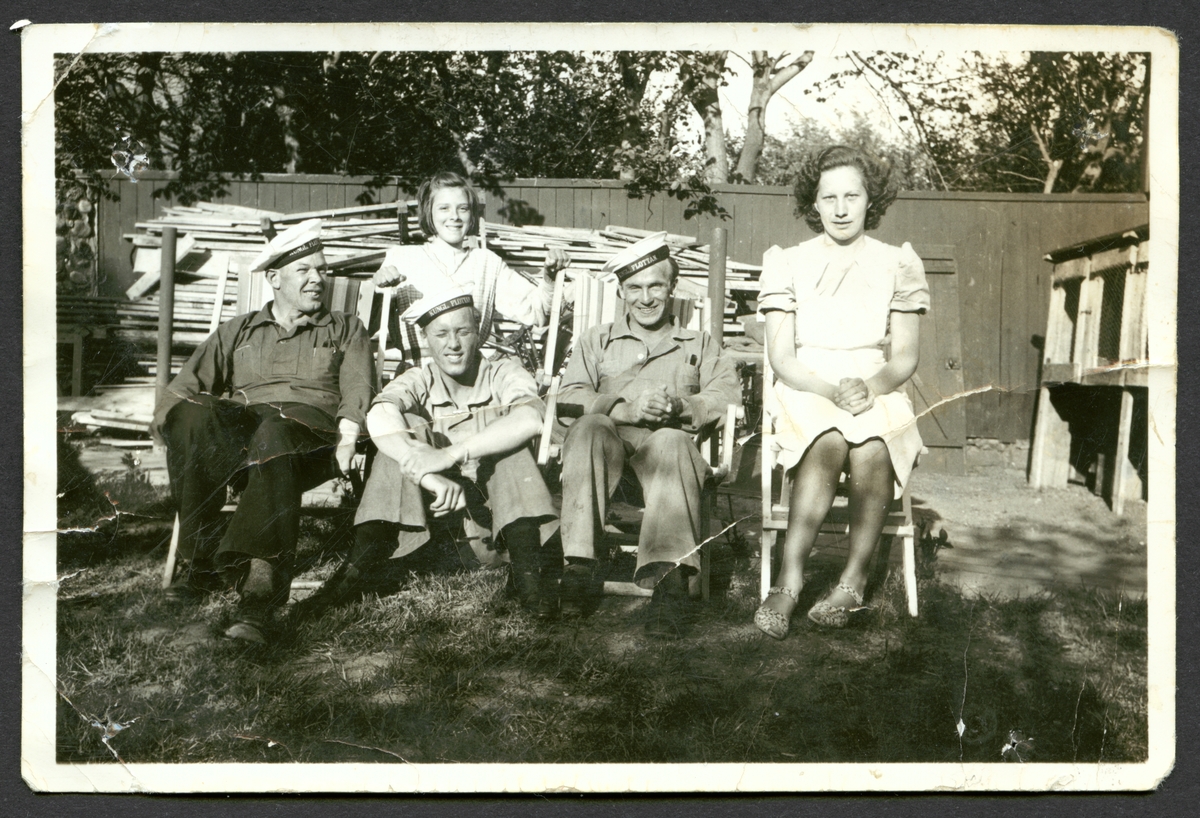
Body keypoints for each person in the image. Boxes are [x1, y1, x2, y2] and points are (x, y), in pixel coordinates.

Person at [153, 219, 372, 645]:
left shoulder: (346, 327)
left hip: (310, 435)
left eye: (322, 269)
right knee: (192, 415)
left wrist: (349, 435)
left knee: (274, 431)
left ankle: (258, 597)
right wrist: (172, 425)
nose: (317, 279)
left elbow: (359, 387)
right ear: (274, 279)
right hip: (247, 431)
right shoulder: (238, 330)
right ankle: (200, 565)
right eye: (304, 270)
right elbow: (183, 387)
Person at [754, 145, 929, 638]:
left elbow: (905, 357)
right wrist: (830, 391)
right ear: (814, 202)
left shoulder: (897, 262)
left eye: (852, 195)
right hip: (807, 380)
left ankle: (852, 582)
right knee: (827, 439)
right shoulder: (788, 262)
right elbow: (782, 358)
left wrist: (869, 387)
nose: (841, 208)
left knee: (874, 443)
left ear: (870, 198)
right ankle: (789, 579)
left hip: (875, 381)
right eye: (829, 197)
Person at [303, 288, 561, 618]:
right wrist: (427, 473)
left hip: (496, 538)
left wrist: (450, 455)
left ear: (478, 333)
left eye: (462, 331)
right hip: (421, 539)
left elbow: (531, 418)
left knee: (508, 438)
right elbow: (379, 414)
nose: (453, 344)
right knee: (406, 426)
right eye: (441, 334)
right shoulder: (418, 378)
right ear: (426, 339)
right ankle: (353, 574)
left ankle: (530, 582)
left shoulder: (504, 373)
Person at [556, 232, 742, 639]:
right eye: (634, 288)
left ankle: (669, 582)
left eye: (655, 286)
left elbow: (727, 396)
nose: (645, 298)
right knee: (589, 426)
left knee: (672, 440)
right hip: (604, 456)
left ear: (672, 287)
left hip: (666, 463)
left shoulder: (699, 344)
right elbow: (568, 397)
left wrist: (680, 406)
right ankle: (579, 568)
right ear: (621, 292)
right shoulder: (597, 340)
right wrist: (623, 409)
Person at [373, 171, 571, 364]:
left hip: (471, 377)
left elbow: (537, 313)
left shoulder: (487, 263)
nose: (455, 216)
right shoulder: (402, 258)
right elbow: (371, 324)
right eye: (444, 208)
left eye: (463, 208)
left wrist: (549, 278)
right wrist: (378, 290)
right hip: (417, 374)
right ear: (429, 212)